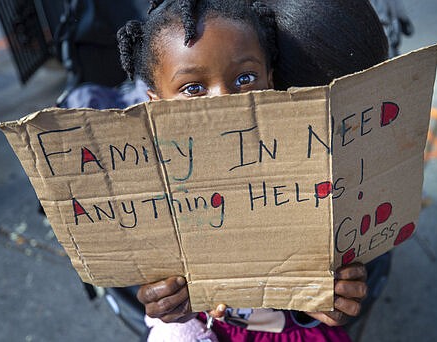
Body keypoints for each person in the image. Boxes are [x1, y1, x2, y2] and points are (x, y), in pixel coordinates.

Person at [116, 0, 388, 340]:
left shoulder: (302, 164)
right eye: (193, 89)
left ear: (271, 80)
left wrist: (334, 292)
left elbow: (329, 272)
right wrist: (164, 300)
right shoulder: (153, 182)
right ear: (154, 103)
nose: (224, 101)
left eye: (244, 78)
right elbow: (157, 273)